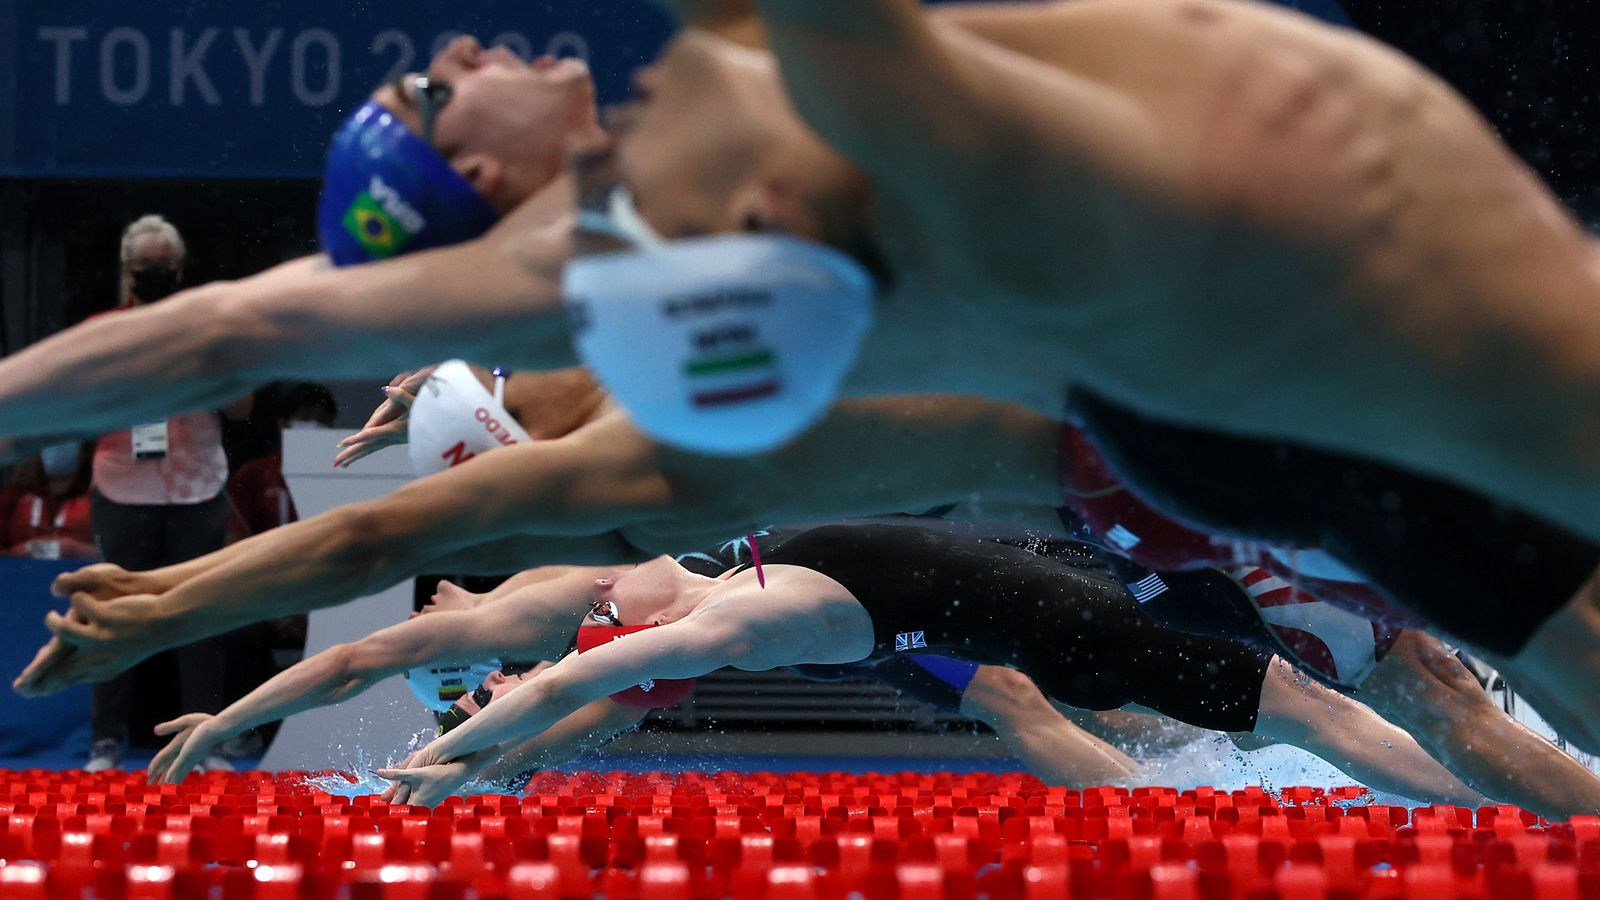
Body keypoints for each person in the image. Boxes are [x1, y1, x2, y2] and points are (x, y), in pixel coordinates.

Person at [146, 525, 1495, 813]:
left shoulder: (581, 614)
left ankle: (1223, 784)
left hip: (934, 595)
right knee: (1053, 688)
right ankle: (1203, 787)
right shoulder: (626, 663)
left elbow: (404, 649)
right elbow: (532, 723)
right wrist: (436, 773)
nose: (494, 681)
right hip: (925, 610)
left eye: (484, 678)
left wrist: (238, 725)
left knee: (1073, 683)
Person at [83, 215, 254, 774]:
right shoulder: (104, 330)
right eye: (144, 268)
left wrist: (203, 372)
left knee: (199, 616)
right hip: (122, 485)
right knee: (114, 615)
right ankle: (104, 744)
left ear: (178, 268)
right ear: (127, 272)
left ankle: (201, 741)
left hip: (195, 486)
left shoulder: (206, 326)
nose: (154, 274)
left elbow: (243, 407)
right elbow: (78, 407)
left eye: (162, 267)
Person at [226, 383, 338, 539]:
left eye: (322, 419)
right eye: (305, 417)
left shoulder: (341, 475)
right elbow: (233, 537)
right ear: (282, 424)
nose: (314, 424)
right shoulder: (253, 473)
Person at [0, 443, 97, 560]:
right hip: (20, 572)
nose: (57, 448)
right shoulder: (16, 495)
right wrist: (19, 552)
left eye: (69, 440)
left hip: (84, 573)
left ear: (83, 450)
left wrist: (77, 549)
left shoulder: (100, 495)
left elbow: (118, 548)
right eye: (51, 441)